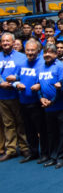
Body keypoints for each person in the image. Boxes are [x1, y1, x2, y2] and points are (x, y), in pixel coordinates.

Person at [38, 43, 63, 168]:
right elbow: (38, 85)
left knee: (62, 134)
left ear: (55, 54)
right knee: (51, 133)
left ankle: (62, 158)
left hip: (60, 106)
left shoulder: (60, 66)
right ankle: (53, 156)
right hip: (47, 107)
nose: (47, 54)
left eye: (50, 52)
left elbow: (61, 87)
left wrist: (52, 101)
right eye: (45, 52)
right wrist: (41, 98)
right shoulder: (41, 66)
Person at [0, 32, 29, 161]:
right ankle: (11, 149)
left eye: (8, 41)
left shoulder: (22, 57)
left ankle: (24, 147)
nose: (5, 43)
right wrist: (1, 83)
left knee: (21, 122)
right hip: (2, 96)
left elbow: (24, 74)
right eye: (3, 41)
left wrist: (14, 82)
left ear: (13, 42)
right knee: (8, 124)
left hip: (17, 95)